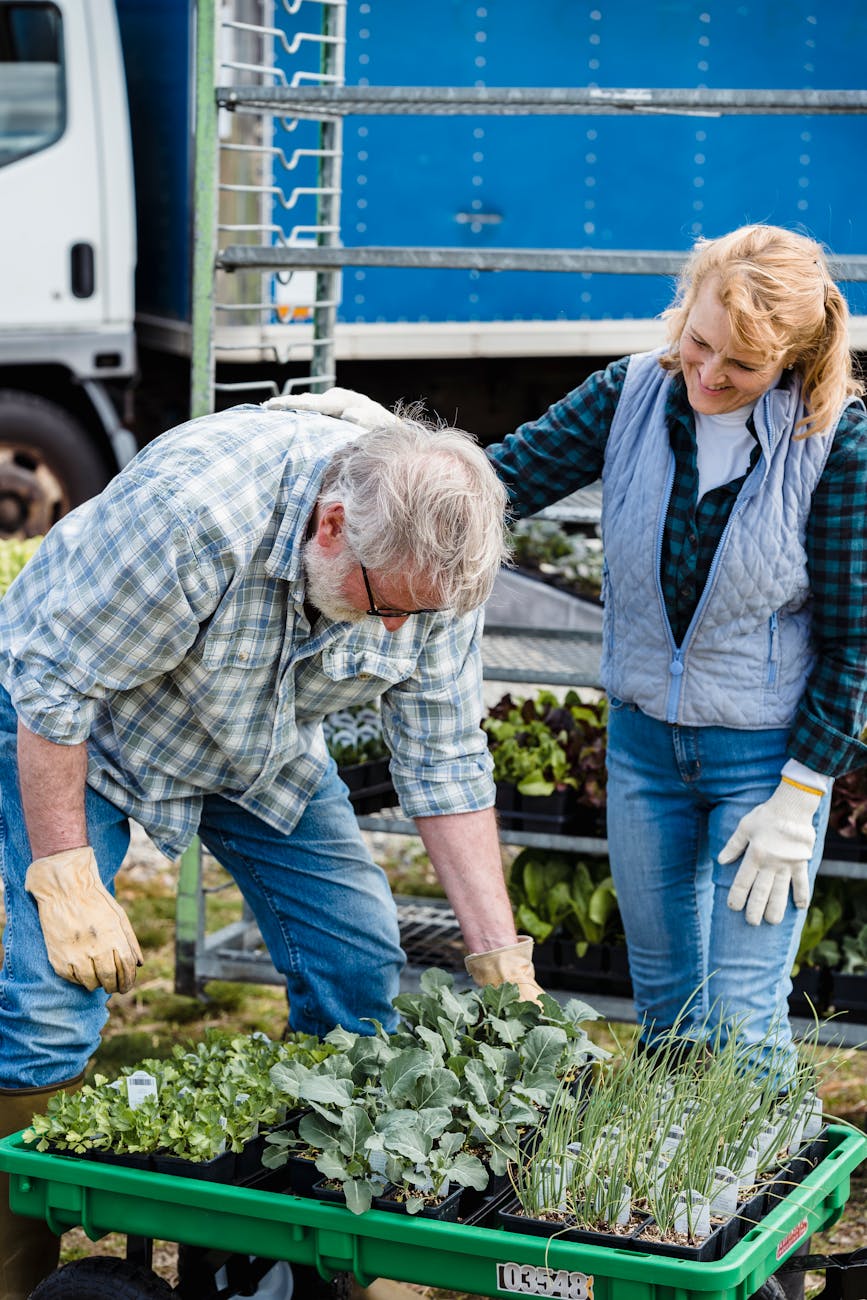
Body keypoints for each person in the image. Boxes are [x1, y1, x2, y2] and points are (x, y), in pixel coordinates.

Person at [284, 224, 867, 1084]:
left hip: (763, 770)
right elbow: (488, 485)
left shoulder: (832, 444)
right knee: (667, 1013)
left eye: (739, 367)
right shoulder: (627, 394)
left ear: (789, 357)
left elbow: (856, 642)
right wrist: (374, 447)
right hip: (641, 755)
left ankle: (769, 1210)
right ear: (684, 308)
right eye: (697, 341)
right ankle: (683, 1200)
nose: (706, 375)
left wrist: (803, 793)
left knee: (744, 1025)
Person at [0, 406, 543, 1299]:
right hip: (76, 726)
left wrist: (496, 952)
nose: (400, 634)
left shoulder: (430, 565)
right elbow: (53, 684)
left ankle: (328, 1246)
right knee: (47, 1010)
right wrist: (62, 871)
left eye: (419, 615)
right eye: (386, 608)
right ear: (332, 526)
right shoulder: (194, 514)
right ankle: (16, 1271)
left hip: (256, 743)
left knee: (358, 960)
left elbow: (444, 757)